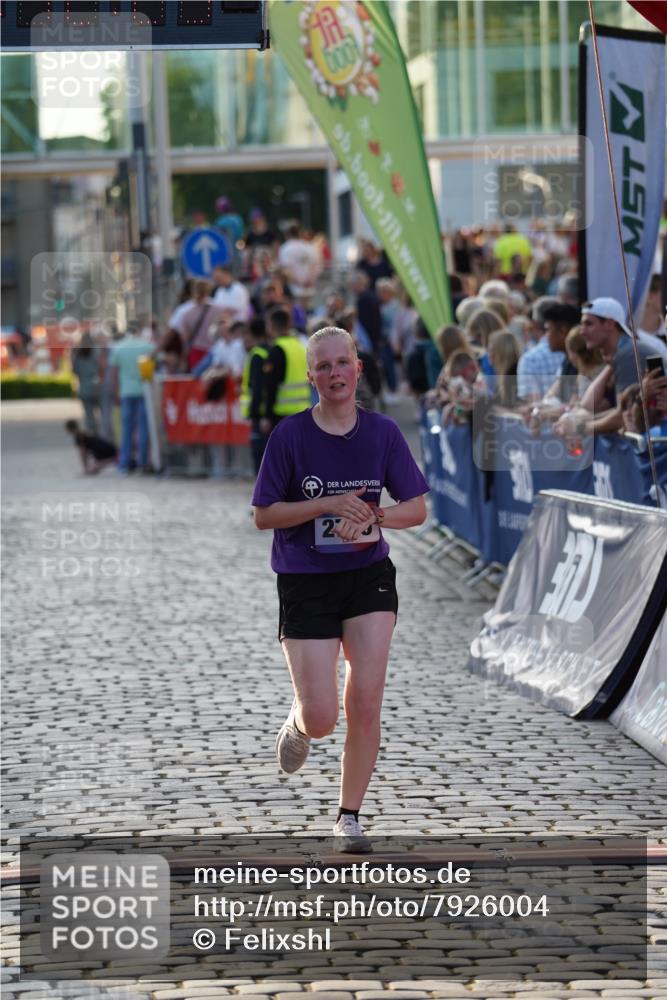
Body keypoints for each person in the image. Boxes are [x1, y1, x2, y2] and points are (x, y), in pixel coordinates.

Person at [251, 326, 428, 853]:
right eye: (323, 366)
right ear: (311, 376)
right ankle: (302, 721)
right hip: (305, 580)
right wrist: (327, 506)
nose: (334, 374)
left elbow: (415, 509)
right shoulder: (289, 437)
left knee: (366, 700)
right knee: (324, 715)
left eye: (342, 363)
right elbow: (264, 515)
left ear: (358, 369)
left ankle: (348, 817)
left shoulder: (382, 433)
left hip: (367, 577)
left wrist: (374, 516)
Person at [109, 325, 154, 473]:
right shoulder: (148, 347)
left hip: (126, 392)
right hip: (144, 391)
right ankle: (143, 461)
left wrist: (115, 393)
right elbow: (153, 369)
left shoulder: (118, 348)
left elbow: (114, 374)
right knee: (143, 428)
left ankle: (125, 462)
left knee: (127, 429)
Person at [260, 307, 311, 435]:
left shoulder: (277, 349)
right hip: (303, 410)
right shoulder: (300, 346)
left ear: (270, 325)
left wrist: (267, 415)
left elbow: (271, 385)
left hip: (282, 413)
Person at [71, 331, 101, 435]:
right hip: (98, 387)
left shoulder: (77, 353)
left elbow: (74, 370)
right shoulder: (98, 351)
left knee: (89, 416)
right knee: (102, 414)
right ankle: (102, 435)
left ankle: (93, 435)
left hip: (84, 387)